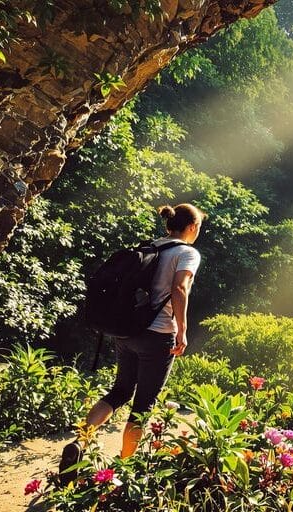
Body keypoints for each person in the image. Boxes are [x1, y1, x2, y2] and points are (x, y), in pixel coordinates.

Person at [59, 203, 205, 483]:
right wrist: (183, 331)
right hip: (158, 336)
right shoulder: (188, 253)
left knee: (120, 391)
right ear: (192, 227)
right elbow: (179, 288)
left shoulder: (151, 247)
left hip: (127, 332)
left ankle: (80, 443)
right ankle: (124, 470)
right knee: (143, 405)